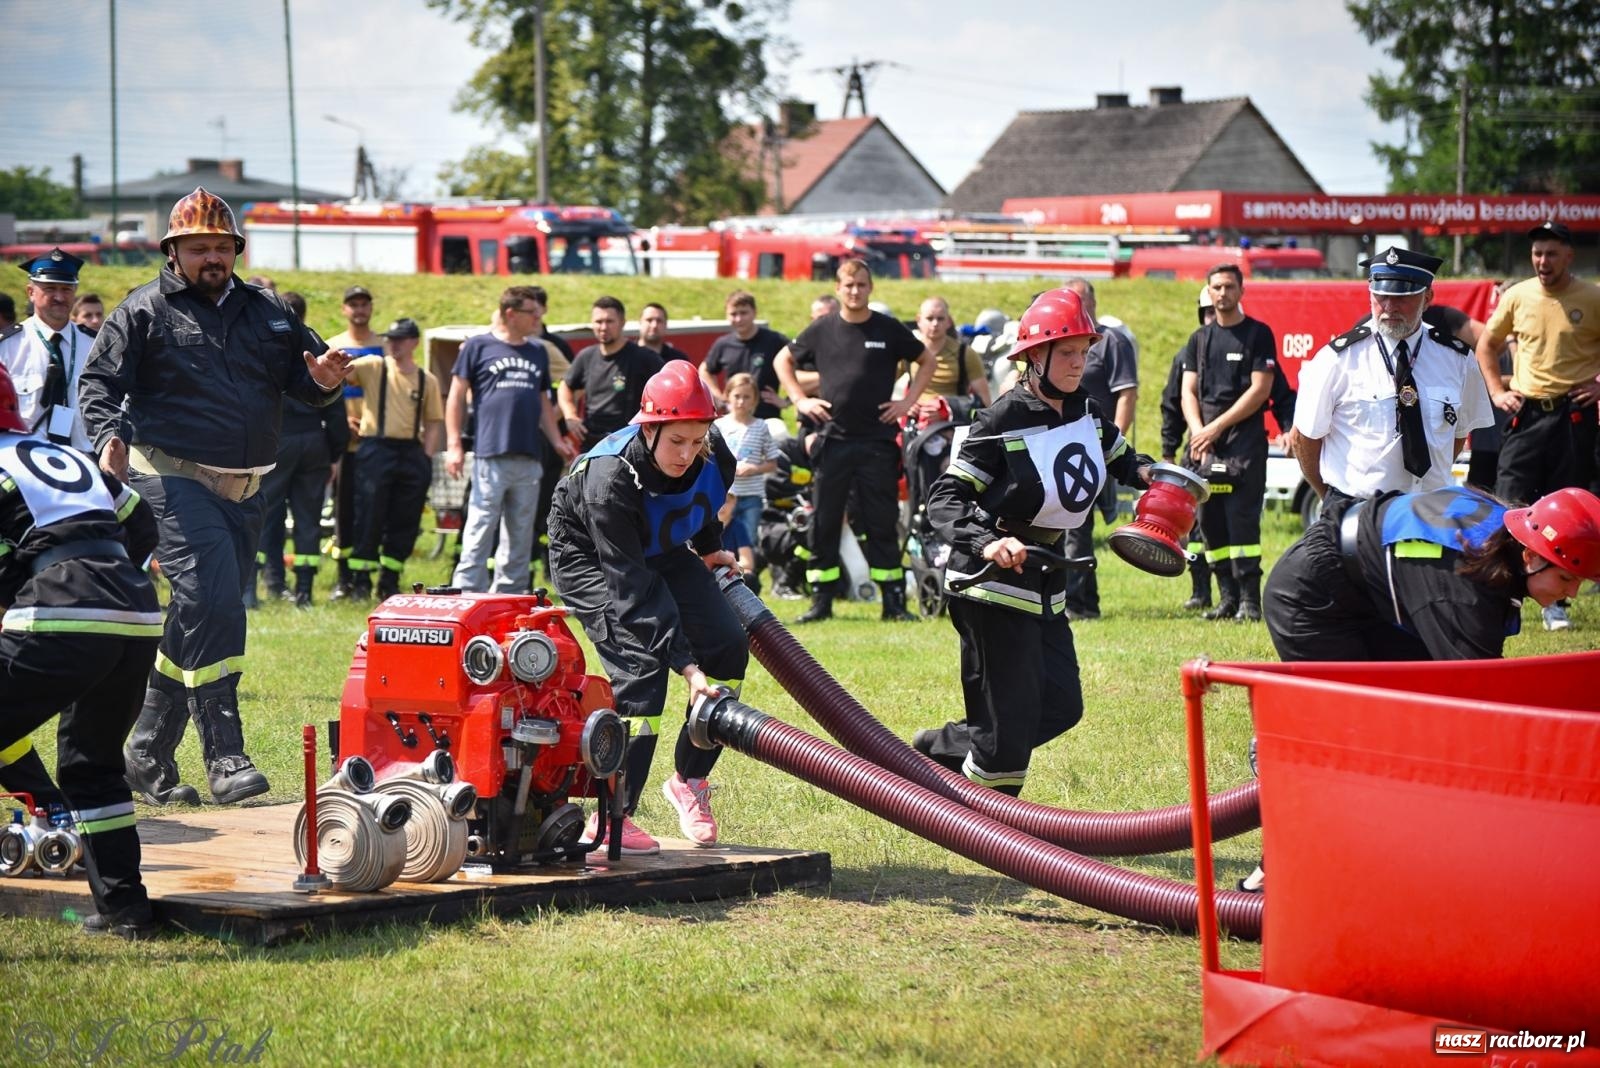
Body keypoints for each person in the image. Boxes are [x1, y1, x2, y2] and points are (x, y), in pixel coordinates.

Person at [78, 187, 352, 806]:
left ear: (237, 250)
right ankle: (226, 754)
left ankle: (145, 751)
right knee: (215, 601)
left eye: (222, 247)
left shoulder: (269, 311)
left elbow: (305, 381)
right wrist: (108, 437)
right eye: (199, 247)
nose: (212, 258)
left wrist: (324, 382)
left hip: (245, 489)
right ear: (172, 252)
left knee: (197, 612)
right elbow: (98, 382)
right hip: (170, 477)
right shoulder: (142, 310)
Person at [911, 288, 1154, 795]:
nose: (1078, 363)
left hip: (1045, 580)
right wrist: (987, 542)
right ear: (1034, 358)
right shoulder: (1000, 420)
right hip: (989, 584)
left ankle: (941, 749)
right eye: (1067, 352)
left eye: (1083, 352)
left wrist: (1152, 475)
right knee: (1008, 729)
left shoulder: (1085, 410)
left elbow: (1123, 459)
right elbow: (945, 498)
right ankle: (991, 824)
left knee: (1061, 705)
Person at [547, 361, 745, 852]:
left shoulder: (712, 452)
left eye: (697, 440)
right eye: (676, 441)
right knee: (641, 666)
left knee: (728, 645)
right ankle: (612, 813)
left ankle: (689, 779)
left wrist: (709, 547)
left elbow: (704, 498)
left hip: (661, 547)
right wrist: (686, 666)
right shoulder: (610, 479)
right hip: (592, 557)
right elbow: (633, 588)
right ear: (649, 429)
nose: (687, 453)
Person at [0, 363, 164, 937]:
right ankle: (125, 912)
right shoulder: (62, 456)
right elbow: (142, 523)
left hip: (61, 606)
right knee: (93, 770)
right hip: (136, 612)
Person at [775, 259, 939, 623]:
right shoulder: (822, 328)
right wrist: (800, 400)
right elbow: (782, 360)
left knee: (881, 521)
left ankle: (893, 603)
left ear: (870, 288)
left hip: (877, 442)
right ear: (838, 288)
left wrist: (906, 403)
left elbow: (927, 360)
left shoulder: (888, 328)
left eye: (861, 285)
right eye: (848, 285)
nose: (855, 291)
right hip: (832, 441)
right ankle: (821, 602)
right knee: (824, 522)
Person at [1265, 484, 1600, 661]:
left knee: (1408, 691)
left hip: (1363, 590)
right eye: (1566, 578)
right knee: (1355, 720)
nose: (1572, 593)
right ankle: (1271, 745)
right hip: (1311, 596)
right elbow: (1481, 692)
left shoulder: (1503, 538)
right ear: (1530, 556)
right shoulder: (1466, 586)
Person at [1294, 248, 1494, 528]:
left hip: (1429, 514)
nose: (1389, 306)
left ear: (1427, 298)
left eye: (1402, 297)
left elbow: (1459, 434)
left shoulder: (1457, 359)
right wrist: (1330, 497)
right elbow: (1304, 438)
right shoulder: (1337, 359)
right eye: (1381, 296)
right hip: (1355, 512)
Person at [1474, 220, 1600, 631]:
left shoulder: (1591, 297)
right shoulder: (1517, 295)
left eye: (1551, 254)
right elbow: (1487, 344)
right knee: (1508, 502)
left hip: (1572, 415)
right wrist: (1496, 391)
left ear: (1569, 257)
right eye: (1537, 253)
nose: (1543, 261)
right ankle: (1498, 592)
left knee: (1568, 510)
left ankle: (1556, 604)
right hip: (1526, 413)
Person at [447, 287, 577, 594]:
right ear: (511, 314)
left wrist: (556, 440)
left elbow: (543, 401)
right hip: (490, 454)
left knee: (520, 532)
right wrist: (454, 444)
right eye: (531, 312)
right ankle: (466, 592)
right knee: (480, 527)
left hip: (529, 455)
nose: (538, 317)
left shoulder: (538, 351)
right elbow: (455, 396)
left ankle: (509, 595)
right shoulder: (478, 346)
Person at [1179, 263, 1277, 622]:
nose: (1223, 293)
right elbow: (1187, 391)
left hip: (1243, 445)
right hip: (1206, 445)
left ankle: (1250, 601)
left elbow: (1260, 389)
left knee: (1242, 523)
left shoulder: (1258, 334)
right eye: (1217, 287)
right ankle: (1226, 599)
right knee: (1210, 522)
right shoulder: (1198, 339)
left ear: (1241, 291)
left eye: (1229, 287)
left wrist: (1214, 428)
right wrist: (1198, 432)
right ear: (1209, 292)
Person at [253, 291, 345, 607]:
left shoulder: (264, 346)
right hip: (314, 443)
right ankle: (304, 592)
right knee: (308, 519)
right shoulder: (318, 347)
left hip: (276, 442)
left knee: (266, 515)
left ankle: (259, 587)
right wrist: (334, 453)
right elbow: (335, 405)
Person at [346, 318, 444, 599]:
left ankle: (389, 579)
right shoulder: (374, 366)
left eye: (400, 339)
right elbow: (341, 374)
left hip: (411, 452)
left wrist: (426, 456)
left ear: (414, 342)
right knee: (369, 514)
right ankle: (361, 580)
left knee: (406, 518)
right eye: (390, 339)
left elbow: (433, 421)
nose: (393, 344)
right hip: (376, 449)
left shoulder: (426, 379)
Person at [1061, 278, 1138, 620]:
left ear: (1093, 303)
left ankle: (1076, 603)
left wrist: (1112, 448)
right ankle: (1084, 602)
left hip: (1093, 448)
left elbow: (1127, 395)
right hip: (1060, 448)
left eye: (1081, 302)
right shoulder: (1060, 342)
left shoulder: (1112, 341)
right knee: (1070, 526)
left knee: (1076, 527)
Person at [0, 248, 96, 451]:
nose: (59, 297)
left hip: (84, 459)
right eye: (50, 289)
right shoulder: (7, 346)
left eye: (66, 289)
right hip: (25, 458)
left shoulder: (95, 345)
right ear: (30, 292)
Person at [324, 285, 384, 601]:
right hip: (344, 444)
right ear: (344, 309)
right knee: (344, 511)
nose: (359, 310)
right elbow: (323, 392)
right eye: (353, 304)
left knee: (373, 511)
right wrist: (342, 422)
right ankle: (343, 577)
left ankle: (366, 577)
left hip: (377, 443)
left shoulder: (385, 347)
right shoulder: (332, 345)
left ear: (371, 308)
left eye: (364, 304)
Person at [1161, 286, 1217, 610]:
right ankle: (1200, 592)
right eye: (1207, 313)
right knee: (1192, 526)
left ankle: (1236, 596)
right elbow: (1172, 405)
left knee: (1227, 529)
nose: (1212, 318)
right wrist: (1168, 453)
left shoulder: (1242, 347)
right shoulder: (1187, 355)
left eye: (1215, 312)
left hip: (1232, 453)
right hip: (1194, 454)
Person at [558, 296, 664, 451]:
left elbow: (667, 388)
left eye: (609, 321)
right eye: (598, 322)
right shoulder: (586, 357)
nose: (603, 327)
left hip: (629, 444)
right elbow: (565, 386)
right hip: (593, 445)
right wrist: (570, 415)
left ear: (622, 322)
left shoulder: (644, 358)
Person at [715, 373, 778, 587]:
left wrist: (755, 468)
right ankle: (719, 580)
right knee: (718, 538)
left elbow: (773, 462)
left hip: (751, 495)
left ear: (755, 400)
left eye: (747, 397)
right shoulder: (719, 426)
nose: (741, 401)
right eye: (737, 396)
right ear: (727, 396)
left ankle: (745, 583)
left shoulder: (760, 426)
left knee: (747, 540)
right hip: (724, 496)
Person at [700, 290, 793, 420]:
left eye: (743, 313)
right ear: (726, 315)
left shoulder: (775, 341)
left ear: (754, 312)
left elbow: (803, 365)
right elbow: (705, 370)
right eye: (733, 314)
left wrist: (788, 401)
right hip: (735, 420)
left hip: (767, 418)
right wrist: (717, 396)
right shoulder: (723, 344)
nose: (739, 319)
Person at [908, 295, 991, 417]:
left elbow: (985, 402)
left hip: (952, 420)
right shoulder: (908, 351)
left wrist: (947, 411)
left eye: (940, 319)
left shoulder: (965, 353)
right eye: (929, 318)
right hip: (915, 420)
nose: (935, 324)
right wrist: (904, 405)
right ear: (918, 320)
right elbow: (882, 387)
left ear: (949, 322)